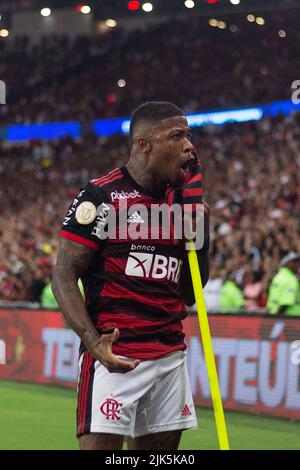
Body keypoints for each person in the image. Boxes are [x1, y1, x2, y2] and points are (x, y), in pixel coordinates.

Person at [52, 101, 210, 451]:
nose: (189, 146)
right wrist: (93, 342)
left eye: (189, 135)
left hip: (169, 355)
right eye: (178, 136)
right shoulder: (101, 197)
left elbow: (190, 294)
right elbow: (63, 274)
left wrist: (202, 235)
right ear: (144, 144)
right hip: (115, 355)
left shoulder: (183, 205)